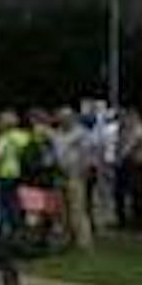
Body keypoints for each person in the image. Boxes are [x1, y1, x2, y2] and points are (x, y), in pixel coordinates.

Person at [53, 107, 96, 252]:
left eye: (66, 118)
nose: (63, 120)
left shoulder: (81, 133)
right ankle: (67, 239)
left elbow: (87, 154)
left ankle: (84, 242)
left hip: (75, 174)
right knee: (62, 210)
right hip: (60, 174)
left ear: (72, 118)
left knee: (78, 208)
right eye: (61, 118)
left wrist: (85, 170)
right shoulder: (57, 133)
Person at [0, 110, 32, 243]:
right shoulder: (24, 136)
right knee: (21, 203)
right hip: (23, 174)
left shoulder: (5, 138)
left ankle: (12, 234)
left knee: (7, 205)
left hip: (7, 174)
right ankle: (23, 231)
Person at [115, 109, 142, 230]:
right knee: (123, 193)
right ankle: (124, 219)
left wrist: (120, 158)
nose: (126, 120)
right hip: (129, 164)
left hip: (138, 165)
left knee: (137, 193)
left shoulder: (139, 130)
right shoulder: (126, 130)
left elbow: (130, 147)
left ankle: (137, 220)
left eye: (128, 117)